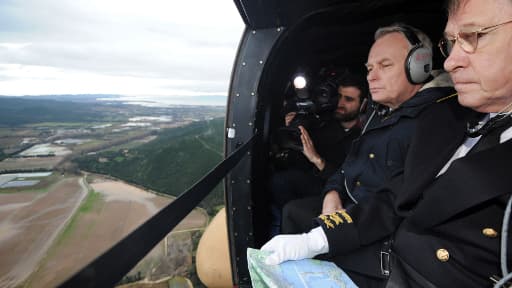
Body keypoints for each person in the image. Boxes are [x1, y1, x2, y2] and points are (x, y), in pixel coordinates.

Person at [262, 1, 512, 287]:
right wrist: (318, 236)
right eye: (452, 43)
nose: (451, 61)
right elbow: (396, 195)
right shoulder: (443, 120)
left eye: (472, 36)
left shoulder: (429, 115)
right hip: (387, 251)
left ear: (418, 67)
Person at [268, 73, 364, 235]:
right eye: (339, 97)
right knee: (279, 182)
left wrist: (318, 160)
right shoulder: (325, 122)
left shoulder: (364, 136)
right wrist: (292, 125)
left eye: (349, 99)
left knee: (290, 204)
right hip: (316, 181)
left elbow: (351, 180)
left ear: (363, 105)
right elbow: (299, 149)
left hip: (341, 192)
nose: (340, 103)